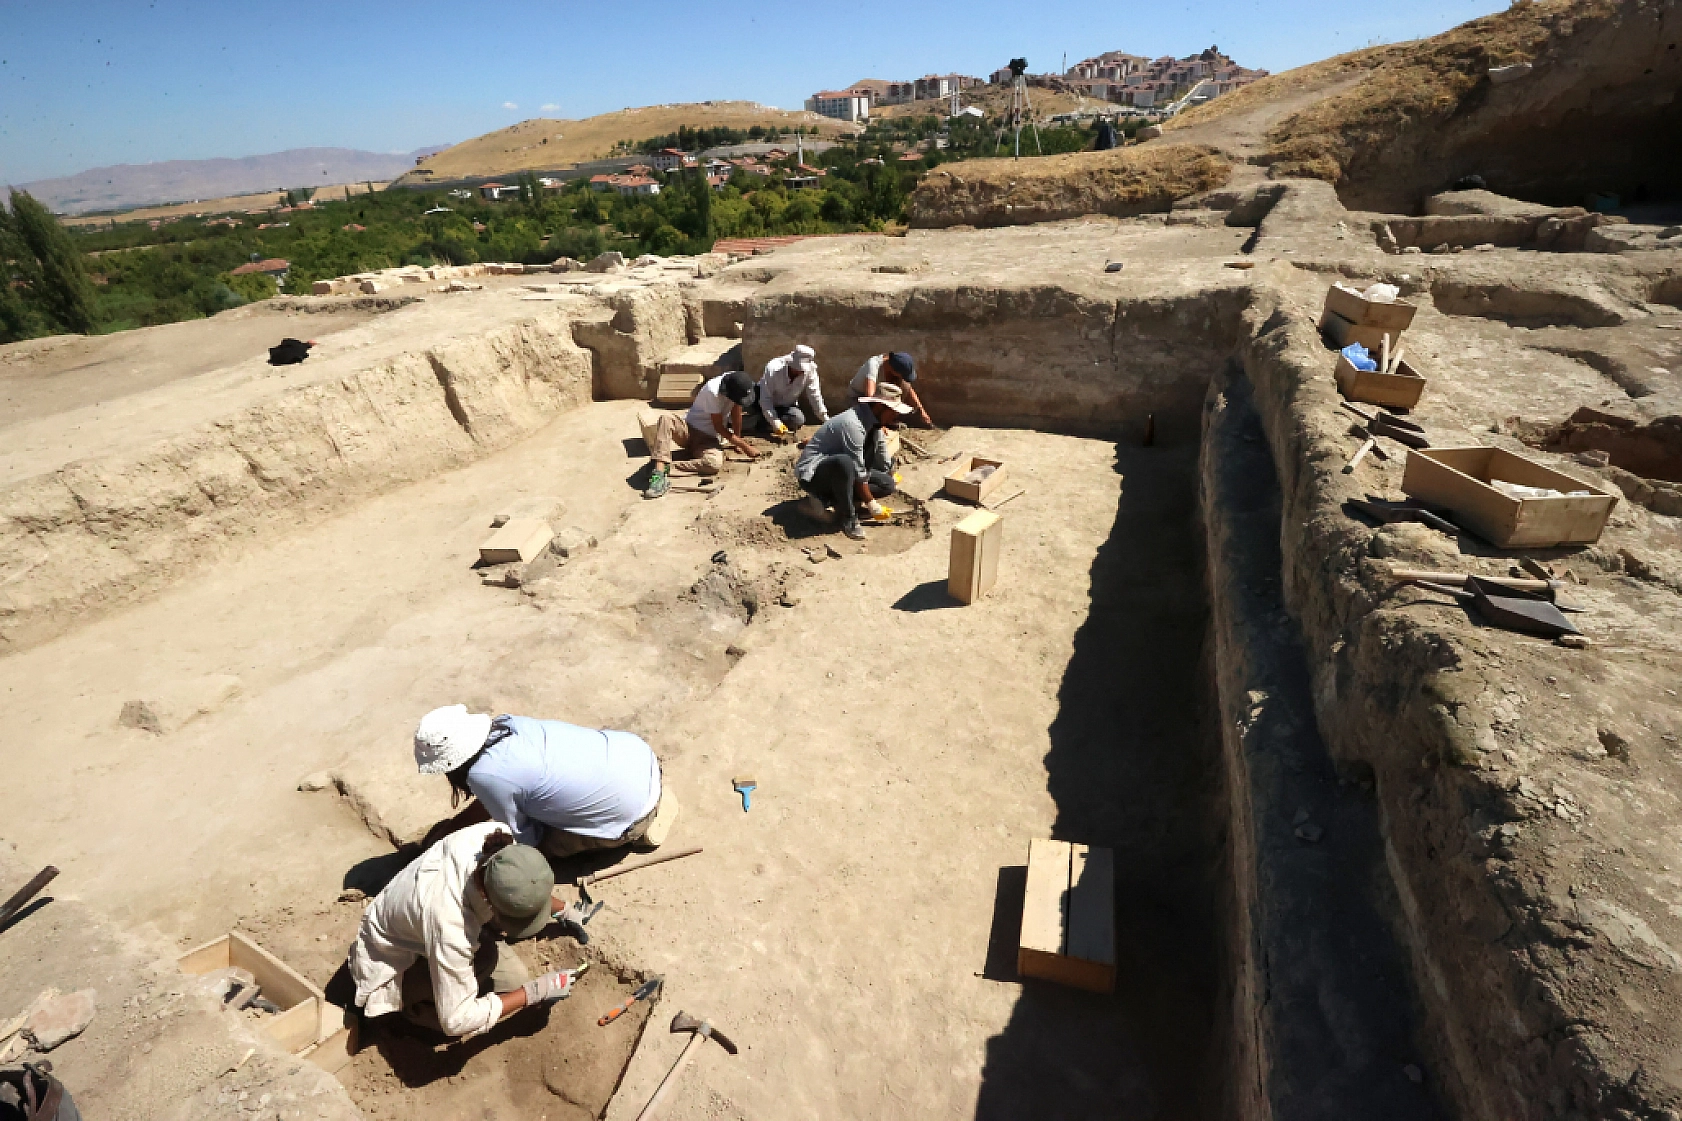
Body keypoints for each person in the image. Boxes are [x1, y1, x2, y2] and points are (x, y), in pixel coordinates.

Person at [347, 820, 586, 1039]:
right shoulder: (452, 926)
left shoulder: (496, 843)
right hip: (391, 961)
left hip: (413, 922)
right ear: (489, 900)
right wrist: (534, 991)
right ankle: (412, 1012)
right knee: (494, 970)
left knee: (511, 978)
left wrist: (564, 910)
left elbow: (522, 883)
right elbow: (455, 1021)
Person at [414, 704, 679, 859]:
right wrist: (452, 828)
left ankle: (638, 830)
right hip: (641, 759)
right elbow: (501, 790)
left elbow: (526, 842)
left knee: (509, 856)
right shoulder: (508, 725)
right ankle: (647, 801)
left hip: (631, 815)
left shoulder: (485, 776)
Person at [795, 393, 913, 540]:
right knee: (844, 462)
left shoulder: (875, 425)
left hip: (843, 473)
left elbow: (881, 453)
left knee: (887, 484)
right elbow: (857, 469)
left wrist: (890, 472)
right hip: (814, 475)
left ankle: (838, 502)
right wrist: (872, 504)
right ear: (879, 407)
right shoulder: (852, 424)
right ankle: (848, 517)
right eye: (893, 411)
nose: (896, 416)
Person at [645, 369, 757, 499]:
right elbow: (719, 427)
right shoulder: (713, 391)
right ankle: (658, 473)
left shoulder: (737, 383)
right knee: (666, 419)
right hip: (689, 430)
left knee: (713, 464)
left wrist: (738, 439)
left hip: (708, 441)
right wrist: (745, 446)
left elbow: (736, 413)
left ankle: (668, 467)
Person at [750, 344, 828, 437]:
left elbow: (815, 396)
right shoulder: (773, 368)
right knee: (747, 396)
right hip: (761, 400)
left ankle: (760, 422)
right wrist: (775, 422)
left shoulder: (810, 372)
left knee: (798, 419)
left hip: (784, 407)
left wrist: (826, 419)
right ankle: (757, 421)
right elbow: (765, 399)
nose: (800, 372)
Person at [848, 351, 931, 428]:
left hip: (878, 397)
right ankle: (880, 422)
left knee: (904, 385)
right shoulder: (873, 366)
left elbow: (909, 390)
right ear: (893, 370)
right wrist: (879, 426)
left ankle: (887, 420)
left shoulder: (893, 364)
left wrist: (922, 411)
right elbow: (870, 398)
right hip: (860, 399)